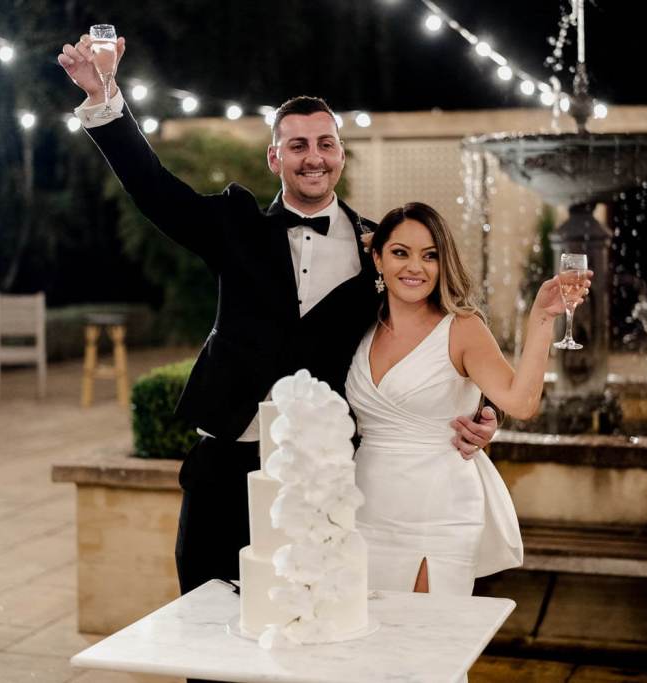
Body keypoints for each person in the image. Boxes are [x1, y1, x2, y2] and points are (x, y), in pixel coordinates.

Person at [56, 35, 499, 597]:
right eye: (296, 146)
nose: (312, 156)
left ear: (340, 154)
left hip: (324, 475)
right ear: (275, 158)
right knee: (206, 622)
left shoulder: (380, 252)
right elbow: (155, 190)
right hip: (226, 463)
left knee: (307, 630)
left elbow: (433, 338)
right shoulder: (234, 225)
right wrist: (104, 98)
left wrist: (484, 410)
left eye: (325, 143)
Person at [346, 202, 592, 596]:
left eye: (430, 256)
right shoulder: (357, 326)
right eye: (400, 253)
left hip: (438, 511)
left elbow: (521, 403)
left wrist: (543, 319)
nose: (415, 267)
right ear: (377, 258)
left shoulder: (462, 328)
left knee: (427, 640)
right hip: (362, 507)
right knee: (365, 640)